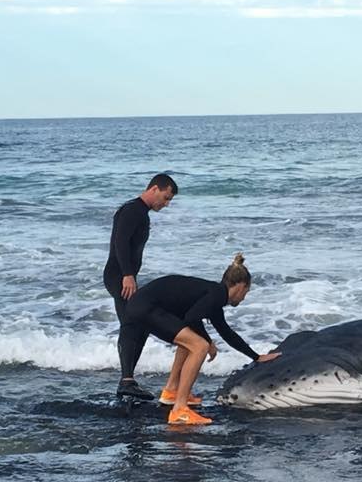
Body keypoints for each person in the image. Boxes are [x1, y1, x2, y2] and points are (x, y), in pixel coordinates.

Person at [121, 253, 281, 425]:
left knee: (189, 341)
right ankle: (179, 410)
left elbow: (226, 332)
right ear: (240, 286)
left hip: (141, 305)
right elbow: (191, 318)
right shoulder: (215, 296)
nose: (244, 298)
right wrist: (208, 342)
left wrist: (256, 357)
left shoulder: (214, 295)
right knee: (200, 346)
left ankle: (171, 392)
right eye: (246, 292)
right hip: (145, 308)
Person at [103, 173, 178, 399]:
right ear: (154, 188)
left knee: (142, 323)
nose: (166, 204)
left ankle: (128, 379)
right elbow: (121, 243)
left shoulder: (141, 213)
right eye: (165, 198)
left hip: (126, 275)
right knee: (130, 324)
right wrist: (127, 274)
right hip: (118, 276)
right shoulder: (132, 210)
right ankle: (126, 381)